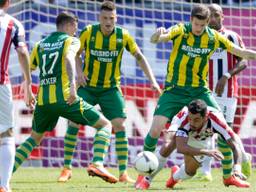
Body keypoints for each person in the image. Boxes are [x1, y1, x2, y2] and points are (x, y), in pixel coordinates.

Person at [135, 4, 256, 190]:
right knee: (155, 129)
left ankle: (229, 176)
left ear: (207, 23)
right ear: (191, 20)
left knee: (223, 129)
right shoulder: (181, 30)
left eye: (201, 25)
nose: (197, 28)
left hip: (199, 90)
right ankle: (142, 175)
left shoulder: (214, 37)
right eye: (195, 24)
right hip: (174, 89)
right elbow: (159, 39)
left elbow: (240, 52)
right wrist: (156, 35)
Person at [57, 1, 161, 184]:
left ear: (116, 18)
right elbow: (75, 54)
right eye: (104, 18)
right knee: (73, 121)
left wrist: (152, 81)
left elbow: (139, 57)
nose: (108, 22)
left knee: (120, 125)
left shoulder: (123, 35)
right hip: (88, 87)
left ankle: (123, 173)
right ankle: (66, 168)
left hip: (110, 89)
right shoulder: (89, 32)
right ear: (99, 18)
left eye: (111, 18)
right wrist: (79, 73)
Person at [13, 11, 119, 184]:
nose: (76, 32)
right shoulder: (71, 40)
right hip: (65, 98)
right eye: (75, 28)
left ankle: (4, 176)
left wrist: (28, 89)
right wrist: (72, 86)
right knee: (105, 125)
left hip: (44, 101)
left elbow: (28, 67)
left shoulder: (40, 44)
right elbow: (70, 57)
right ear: (69, 25)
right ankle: (97, 163)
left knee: (33, 138)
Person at [194, 3, 251, 181]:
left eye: (216, 14)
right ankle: (206, 172)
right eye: (210, 15)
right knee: (205, 129)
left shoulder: (232, 36)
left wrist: (226, 75)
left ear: (222, 16)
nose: (212, 18)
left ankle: (240, 159)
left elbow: (244, 61)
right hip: (205, 90)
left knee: (223, 132)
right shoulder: (201, 37)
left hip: (227, 93)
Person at [165, 99, 250, 189]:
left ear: (205, 117)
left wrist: (237, 168)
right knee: (189, 171)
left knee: (190, 173)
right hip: (186, 137)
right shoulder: (183, 120)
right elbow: (181, 148)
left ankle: (175, 175)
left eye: (196, 120)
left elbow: (235, 145)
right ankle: (171, 177)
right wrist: (207, 152)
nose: (192, 123)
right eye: (190, 119)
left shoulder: (217, 120)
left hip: (203, 138)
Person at [0, 0, 35, 191]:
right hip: (0, 85)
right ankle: (3, 186)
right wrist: (28, 82)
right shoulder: (13, 23)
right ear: (8, 2)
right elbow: (22, 51)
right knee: (6, 134)